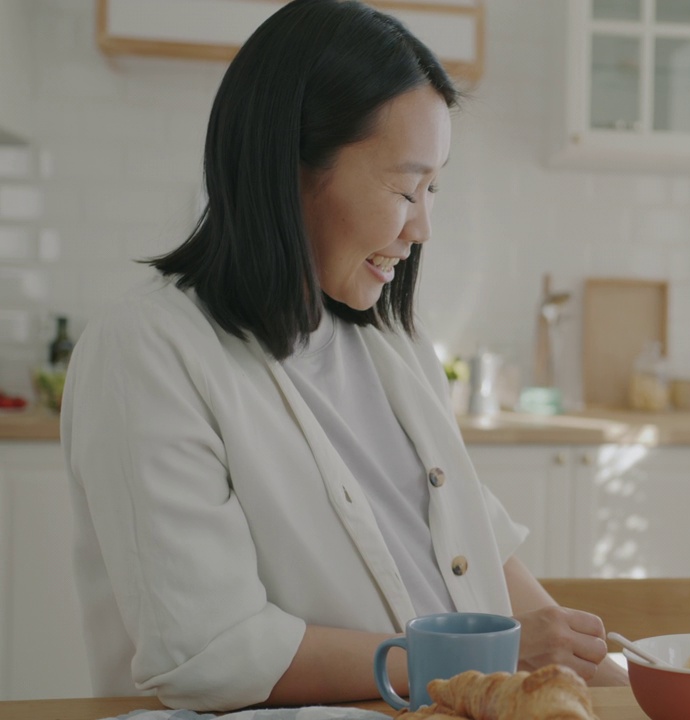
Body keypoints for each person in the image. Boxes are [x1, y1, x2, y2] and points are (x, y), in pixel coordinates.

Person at [60, 0, 625, 711]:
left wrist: (583, 669)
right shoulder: (148, 351)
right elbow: (206, 651)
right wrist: (493, 655)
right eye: (403, 186)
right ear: (290, 166)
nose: (422, 226)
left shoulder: (387, 341)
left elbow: (472, 540)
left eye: (433, 188)